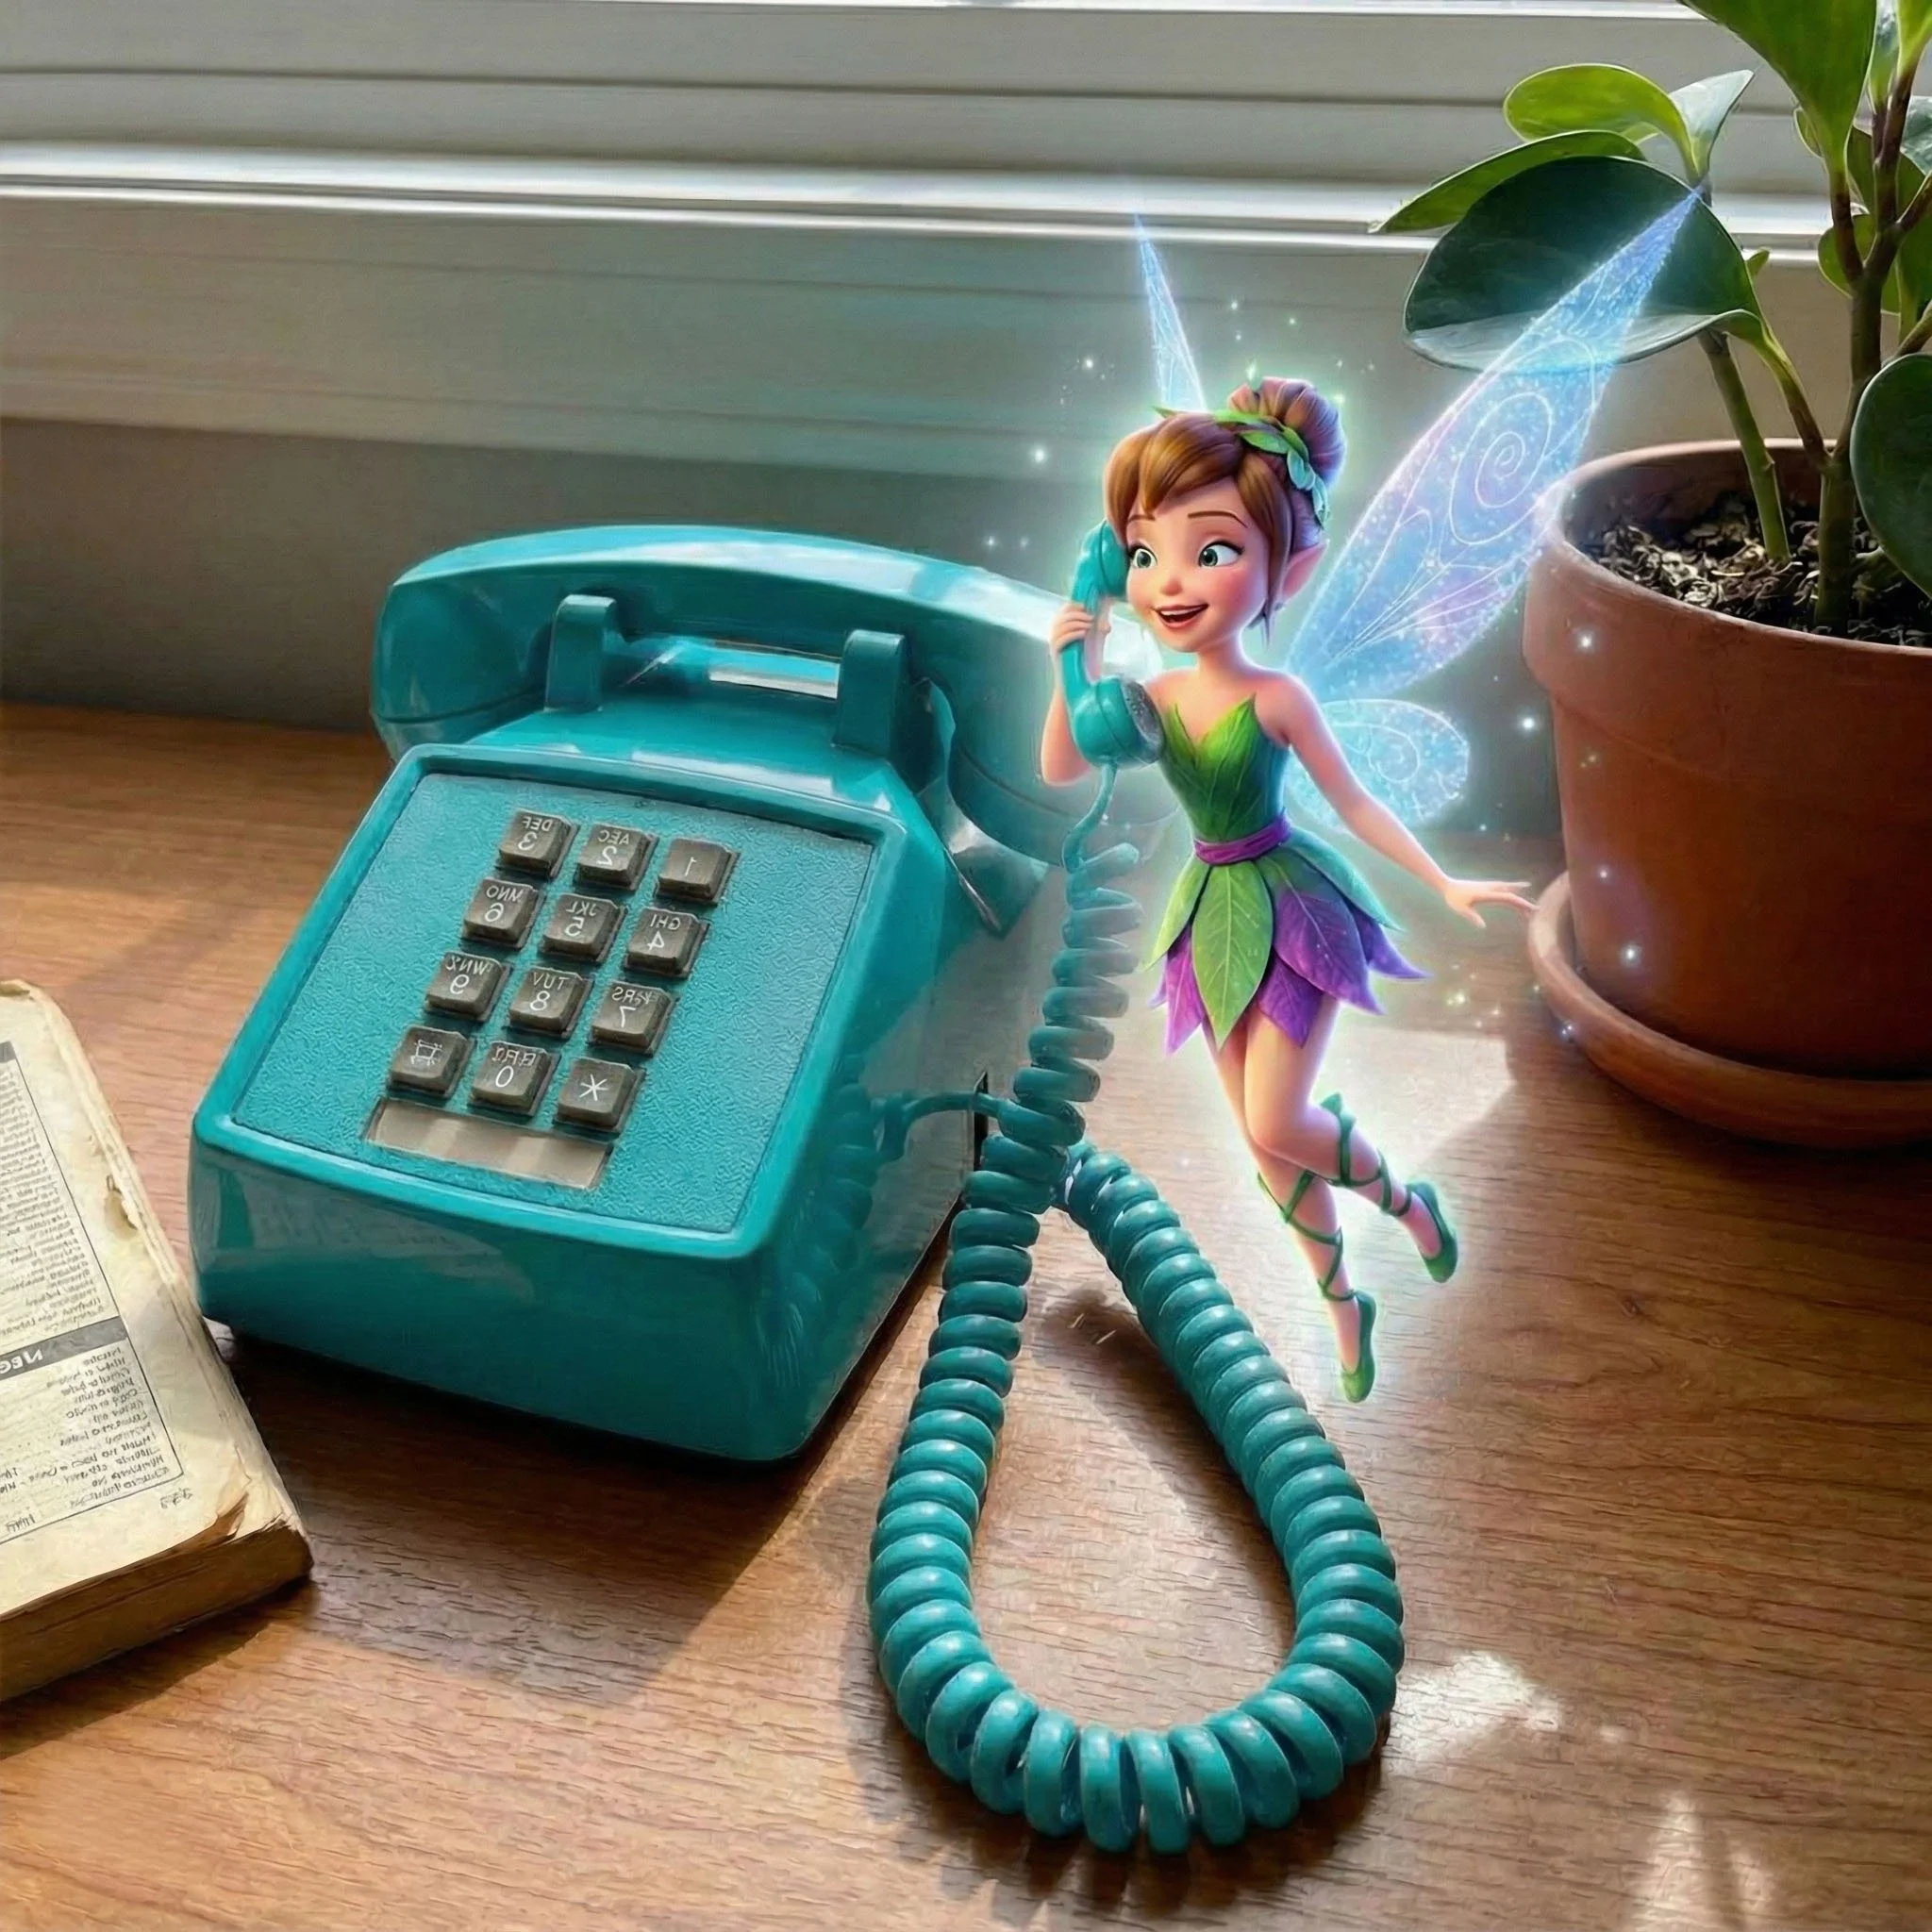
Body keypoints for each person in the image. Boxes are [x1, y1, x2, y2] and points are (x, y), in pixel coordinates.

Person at [1039, 378, 1534, 1401]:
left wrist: (1443, 877)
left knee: (1277, 1116)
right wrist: (1074, 651)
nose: (1169, 582)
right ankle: (1341, 1298)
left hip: (1290, 903)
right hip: (1207, 912)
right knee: (1258, 1136)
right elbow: (1061, 765)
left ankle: (1404, 1201)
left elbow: (1350, 803)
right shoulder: (1152, 699)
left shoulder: (1275, 697)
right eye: (1142, 552)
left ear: (1285, 568)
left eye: (1209, 550)